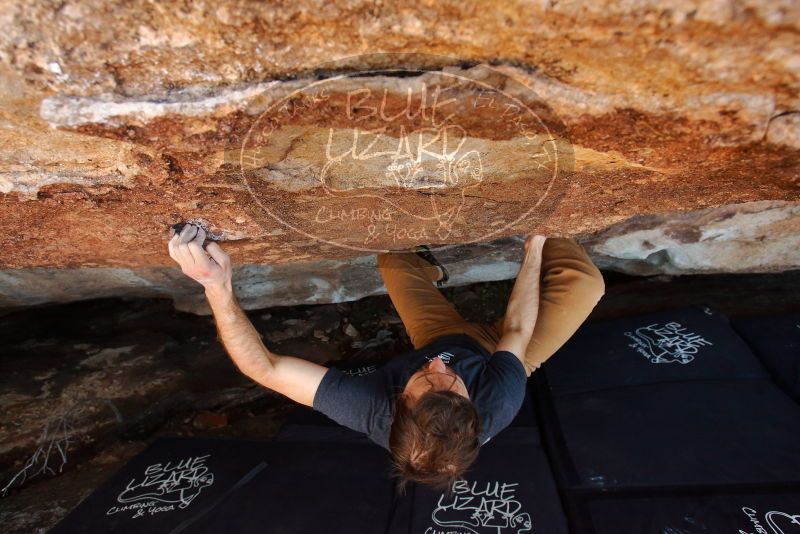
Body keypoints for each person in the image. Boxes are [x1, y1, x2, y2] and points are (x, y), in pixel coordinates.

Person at [168, 225, 604, 491]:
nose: (439, 368)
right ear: (472, 404)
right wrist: (535, 245)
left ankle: (428, 267)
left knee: (393, 260)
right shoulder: (500, 401)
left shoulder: (369, 409)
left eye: (426, 380)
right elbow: (517, 331)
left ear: (399, 404)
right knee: (585, 283)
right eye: (449, 380)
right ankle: (554, 221)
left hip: (436, 336)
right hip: (500, 354)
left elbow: (264, 367)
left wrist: (216, 287)